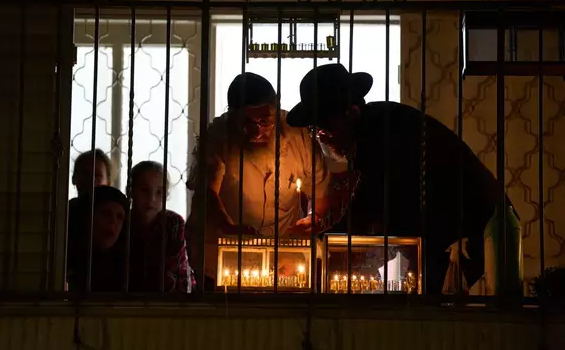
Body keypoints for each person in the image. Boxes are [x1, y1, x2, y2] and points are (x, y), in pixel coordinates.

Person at [285, 63, 523, 296]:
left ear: (351, 113)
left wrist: (320, 244)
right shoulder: (379, 121)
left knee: (425, 307)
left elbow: (368, 206)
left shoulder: (379, 130)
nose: (322, 139)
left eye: (325, 130)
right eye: (316, 132)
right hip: (462, 227)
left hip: (480, 228)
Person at [186, 72, 331, 289]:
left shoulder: (297, 135)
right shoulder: (218, 137)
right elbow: (207, 193)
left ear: (276, 110)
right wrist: (231, 229)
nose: (256, 130)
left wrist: (314, 216)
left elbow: (320, 189)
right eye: (247, 121)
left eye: (265, 121)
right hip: (221, 254)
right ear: (232, 114)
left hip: (282, 258)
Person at [129, 161, 194, 293]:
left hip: (174, 298)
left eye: (159, 192)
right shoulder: (121, 220)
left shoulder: (173, 223)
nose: (151, 198)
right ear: (130, 191)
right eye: (144, 190)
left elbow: (169, 271)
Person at [67, 185, 128, 292]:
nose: (113, 221)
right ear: (88, 217)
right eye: (105, 213)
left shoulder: (124, 266)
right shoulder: (64, 258)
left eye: (119, 217)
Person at [68, 149, 112, 257]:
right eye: (85, 173)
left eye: (97, 175)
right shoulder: (65, 211)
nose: (90, 179)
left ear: (108, 182)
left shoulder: (115, 215)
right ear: (74, 178)